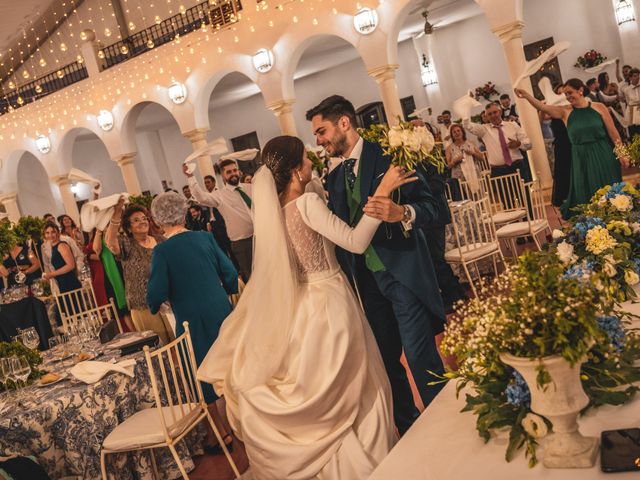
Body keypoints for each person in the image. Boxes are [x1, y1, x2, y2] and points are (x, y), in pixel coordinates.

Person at [199, 136, 412, 478]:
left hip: (304, 305)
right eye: (305, 159)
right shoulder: (307, 205)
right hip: (330, 302)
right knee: (357, 385)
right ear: (296, 172)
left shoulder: (275, 215)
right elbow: (355, 242)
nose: (311, 162)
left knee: (338, 385)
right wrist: (383, 192)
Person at [306, 95, 447, 434]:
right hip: (367, 283)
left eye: (322, 131)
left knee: (418, 355)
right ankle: (411, 428)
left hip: (403, 274)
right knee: (385, 361)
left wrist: (405, 213)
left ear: (344, 123)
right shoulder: (335, 179)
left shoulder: (389, 155)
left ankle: (445, 423)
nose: (320, 141)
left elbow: (436, 208)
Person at [147, 191, 238, 403]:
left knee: (202, 373)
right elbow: (230, 273)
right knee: (229, 366)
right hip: (220, 309)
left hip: (190, 319)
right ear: (185, 212)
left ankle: (219, 430)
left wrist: (154, 304)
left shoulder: (162, 251)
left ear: (158, 220)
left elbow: (156, 292)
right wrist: (221, 292)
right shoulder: (205, 238)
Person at [515, 79, 629, 219]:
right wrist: (527, 95)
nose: (568, 97)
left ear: (580, 90)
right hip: (581, 158)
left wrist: (622, 155)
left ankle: (618, 221)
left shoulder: (599, 107)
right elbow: (542, 107)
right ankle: (595, 226)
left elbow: (614, 133)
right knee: (587, 192)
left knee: (610, 189)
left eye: (570, 93)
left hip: (603, 153)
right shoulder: (565, 112)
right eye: (565, 95)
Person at [106, 198, 173, 345]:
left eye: (144, 218)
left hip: (169, 301)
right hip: (143, 305)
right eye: (136, 220)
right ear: (129, 228)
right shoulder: (127, 244)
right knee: (158, 347)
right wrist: (117, 213)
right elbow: (110, 242)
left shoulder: (161, 240)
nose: (142, 222)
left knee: (178, 340)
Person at [183, 159, 254, 282]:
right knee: (252, 279)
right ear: (223, 175)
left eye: (235, 170)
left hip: (260, 237)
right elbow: (201, 197)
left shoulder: (250, 188)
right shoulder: (220, 195)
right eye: (229, 172)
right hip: (242, 243)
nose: (233, 174)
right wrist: (190, 176)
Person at [463, 102, 532, 181]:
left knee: (524, 192)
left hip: (517, 167)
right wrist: (465, 111)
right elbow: (468, 126)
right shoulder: (484, 130)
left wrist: (519, 144)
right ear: (487, 117)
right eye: (489, 114)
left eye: (495, 112)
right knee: (502, 193)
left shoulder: (513, 125)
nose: (493, 115)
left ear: (500, 112)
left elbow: (529, 144)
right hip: (498, 171)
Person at [41, 222, 82, 307]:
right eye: (47, 233)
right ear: (44, 235)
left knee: (74, 312)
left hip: (69, 283)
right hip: (63, 283)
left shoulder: (61, 245)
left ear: (58, 233)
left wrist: (51, 274)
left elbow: (71, 265)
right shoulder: (52, 247)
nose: (50, 235)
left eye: (53, 232)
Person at [202, 175, 235, 266]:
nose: (206, 184)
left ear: (214, 183)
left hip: (221, 223)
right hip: (213, 225)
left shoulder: (219, 193)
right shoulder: (207, 195)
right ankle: (228, 266)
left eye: (208, 182)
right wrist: (208, 221)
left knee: (228, 245)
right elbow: (208, 211)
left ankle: (236, 266)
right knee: (220, 247)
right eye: (205, 183)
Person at [445, 123, 484, 200]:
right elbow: (448, 166)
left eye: (458, 131)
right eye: (454, 132)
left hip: (473, 174)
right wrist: (455, 161)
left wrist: (473, 153)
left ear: (462, 132)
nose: (457, 133)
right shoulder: (449, 148)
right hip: (459, 177)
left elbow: (482, 158)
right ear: (452, 135)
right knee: (464, 198)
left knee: (478, 197)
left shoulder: (471, 143)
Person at [84, 229, 109, 306]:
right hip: (93, 269)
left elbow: (104, 256)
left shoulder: (100, 233)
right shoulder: (87, 235)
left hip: (100, 267)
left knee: (101, 287)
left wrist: (88, 256)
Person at [621, 68, 640, 138]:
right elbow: (628, 102)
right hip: (633, 112)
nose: (637, 77)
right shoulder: (627, 90)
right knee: (636, 132)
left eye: (638, 75)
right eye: (635, 76)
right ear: (630, 78)